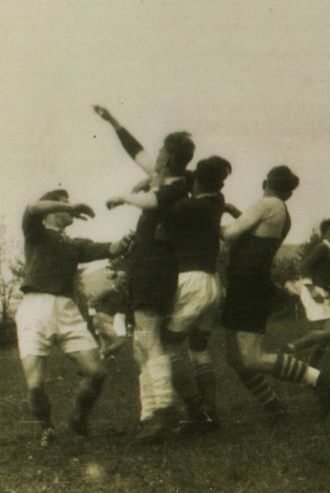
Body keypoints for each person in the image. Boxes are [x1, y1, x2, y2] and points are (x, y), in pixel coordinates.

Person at [95, 105, 194, 441]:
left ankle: (165, 409)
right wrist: (114, 122)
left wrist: (124, 197)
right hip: (146, 265)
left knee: (148, 338)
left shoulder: (176, 186)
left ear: (169, 157)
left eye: (162, 150)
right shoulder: (166, 178)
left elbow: (153, 201)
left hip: (156, 267)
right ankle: (150, 413)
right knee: (142, 343)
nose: (156, 154)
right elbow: (135, 151)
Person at [220, 166, 330, 419]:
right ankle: (273, 406)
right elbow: (254, 231)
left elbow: (229, 234)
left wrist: (204, 218)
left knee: (251, 358)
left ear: (265, 182)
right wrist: (233, 211)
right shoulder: (281, 211)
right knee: (234, 356)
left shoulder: (266, 204)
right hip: (248, 283)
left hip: (247, 284)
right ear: (289, 193)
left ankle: (321, 380)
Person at [17, 190, 131, 446]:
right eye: (63, 204)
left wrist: (128, 239)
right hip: (35, 308)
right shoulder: (36, 232)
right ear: (50, 212)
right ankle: (46, 428)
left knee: (97, 372)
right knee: (35, 384)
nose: (70, 208)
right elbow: (33, 207)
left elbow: (113, 248)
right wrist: (73, 205)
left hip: (67, 309)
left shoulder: (75, 244)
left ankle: (78, 418)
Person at [159, 155, 232, 433]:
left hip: (191, 282)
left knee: (166, 348)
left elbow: (160, 233)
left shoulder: (185, 207)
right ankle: (210, 411)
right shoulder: (217, 201)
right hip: (213, 283)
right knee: (198, 348)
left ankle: (195, 411)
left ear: (197, 180)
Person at [284, 218, 330, 368]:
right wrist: (311, 290)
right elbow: (304, 267)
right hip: (314, 292)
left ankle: (311, 369)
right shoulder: (322, 247)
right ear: (324, 233)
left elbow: (323, 271)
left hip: (321, 291)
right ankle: (292, 347)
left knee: (325, 338)